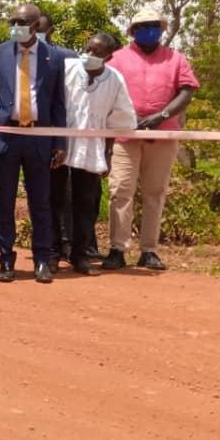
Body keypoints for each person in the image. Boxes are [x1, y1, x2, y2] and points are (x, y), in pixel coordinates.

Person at [0, 3, 67, 284]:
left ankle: (42, 260)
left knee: (40, 201)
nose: (15, 25)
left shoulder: (55, 57)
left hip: (39, 137)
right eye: (13, 20)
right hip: (7, 136)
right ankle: (5, 260)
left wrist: (60, 141)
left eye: (21, 21)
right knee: (5, 202)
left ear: (36, 25)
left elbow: (59, 103)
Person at [103, 6, 199, 271]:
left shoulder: (175, 58)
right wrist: (123, 117)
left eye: (154, 25)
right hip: (125, 135)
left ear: (161, 29)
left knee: (154, 193)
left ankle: (149, 250)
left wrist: (162, 114)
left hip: (163, 133)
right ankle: (117, 249)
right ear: (133, 31)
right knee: (120, 190)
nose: (149, 30)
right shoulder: (117, 58)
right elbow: (106, 90)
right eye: (143, 26)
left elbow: (187, 90)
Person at [62, 33, 136, 275]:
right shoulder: (68, 68)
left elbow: (122, 119)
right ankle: (54, 251)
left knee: (86, 203)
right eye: (88, 49)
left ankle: (80, 255)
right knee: (57, 199)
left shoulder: (115, 80)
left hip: (92, 149)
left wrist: (107, 151)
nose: (90, 55)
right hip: (61, 145)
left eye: (97, 53)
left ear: (109, 57)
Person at [36, 12, 76, 268]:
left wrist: (61, 139)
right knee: (42, 195)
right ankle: (49, 248)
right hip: (33, 138)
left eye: (38, 27)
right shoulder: (20, 57)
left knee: (64, 193)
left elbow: (68, 99)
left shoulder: (67, 57)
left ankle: (68, 245)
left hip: (61, 134)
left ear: (51, 29)